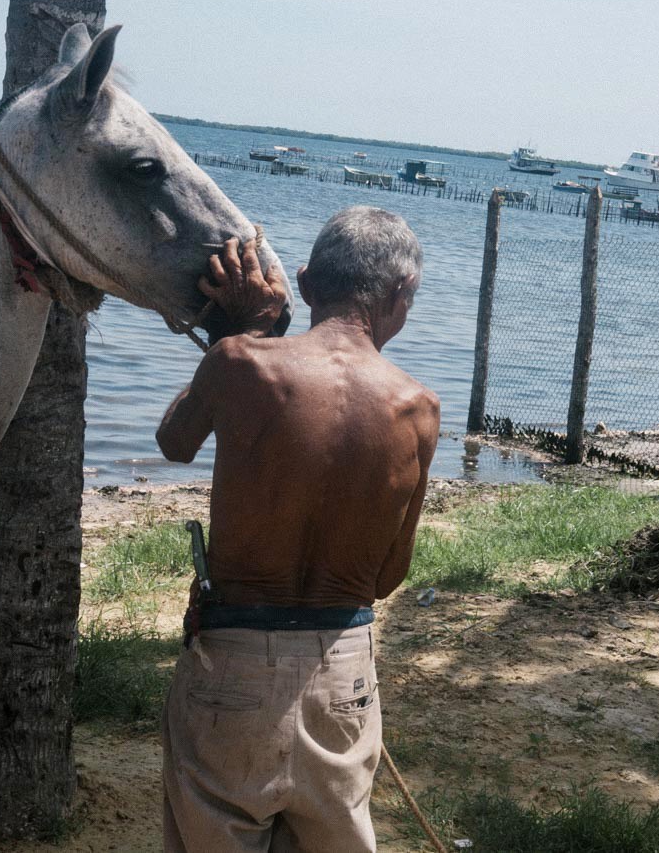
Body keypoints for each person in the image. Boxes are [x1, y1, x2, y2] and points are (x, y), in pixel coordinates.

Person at [157, 206, 439, 853]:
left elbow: (174, 440)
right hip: (342, 675)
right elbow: (390, 575)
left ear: (307, 285)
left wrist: (248, 328)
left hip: (230, 668)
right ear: (400, 296)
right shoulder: (419, 409)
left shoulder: (240, 363)